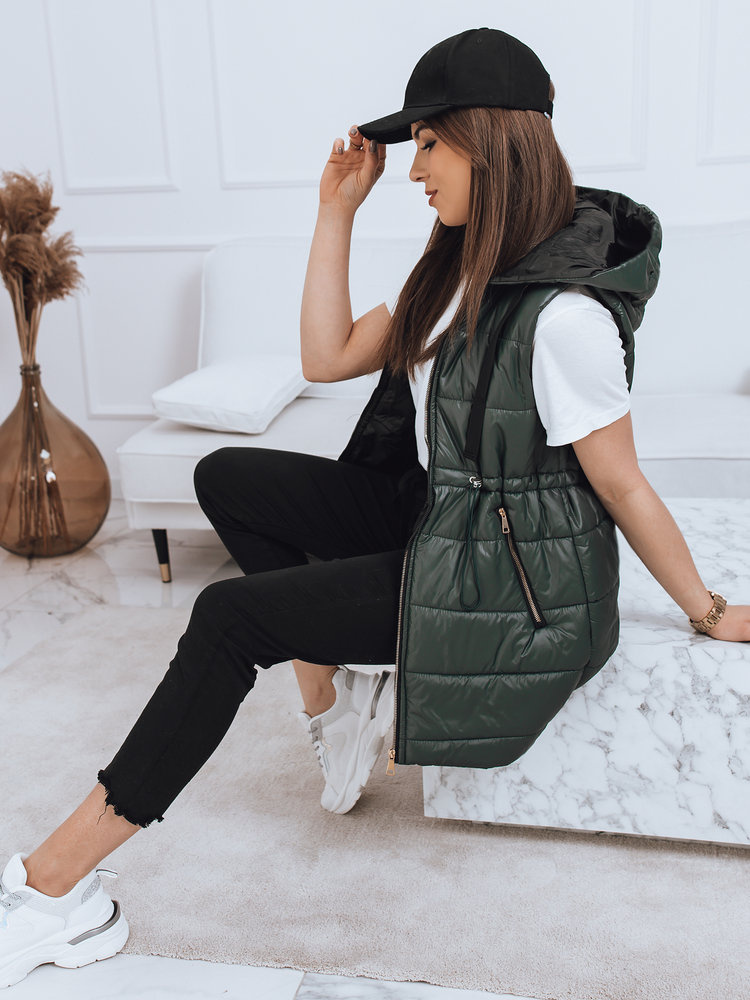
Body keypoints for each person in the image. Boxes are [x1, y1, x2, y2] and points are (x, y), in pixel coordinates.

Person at [2, 25, 748, 991]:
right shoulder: (455, 274)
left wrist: (709, 609)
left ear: (491, 143)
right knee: (227, 476)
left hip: (506, 576)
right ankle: (339, 706)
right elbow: (325, 358)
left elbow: (622, 484)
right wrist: (335, 212)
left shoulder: (566, 319)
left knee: (229, 617)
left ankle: (55, 892)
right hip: (438, 517)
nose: (415, 170)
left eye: (430, 144)